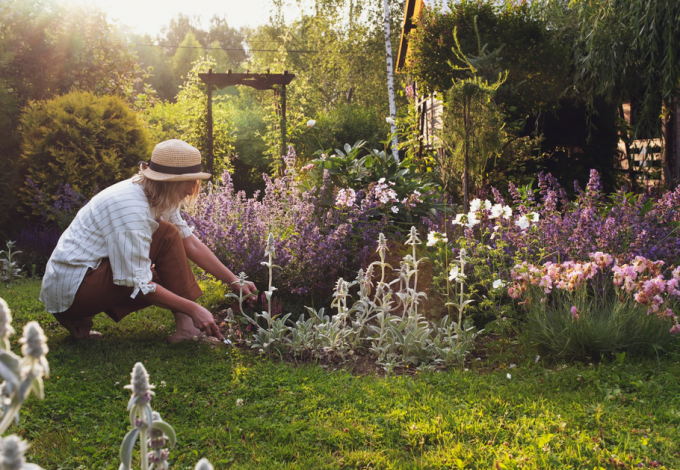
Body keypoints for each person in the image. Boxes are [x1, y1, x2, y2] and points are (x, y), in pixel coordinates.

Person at [39, 139, 256, 341]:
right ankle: (76, 315)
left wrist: (234, 280)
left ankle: (184, 326)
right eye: (185, 182)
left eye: (193, 181)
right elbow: (138, 282)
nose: (191, 189)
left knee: (169, 240)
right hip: (75, 291)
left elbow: (190, 243)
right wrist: (193, 309)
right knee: (162, 249)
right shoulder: (131, 208)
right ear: (167, 181)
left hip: (85, 281)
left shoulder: (159, 194)